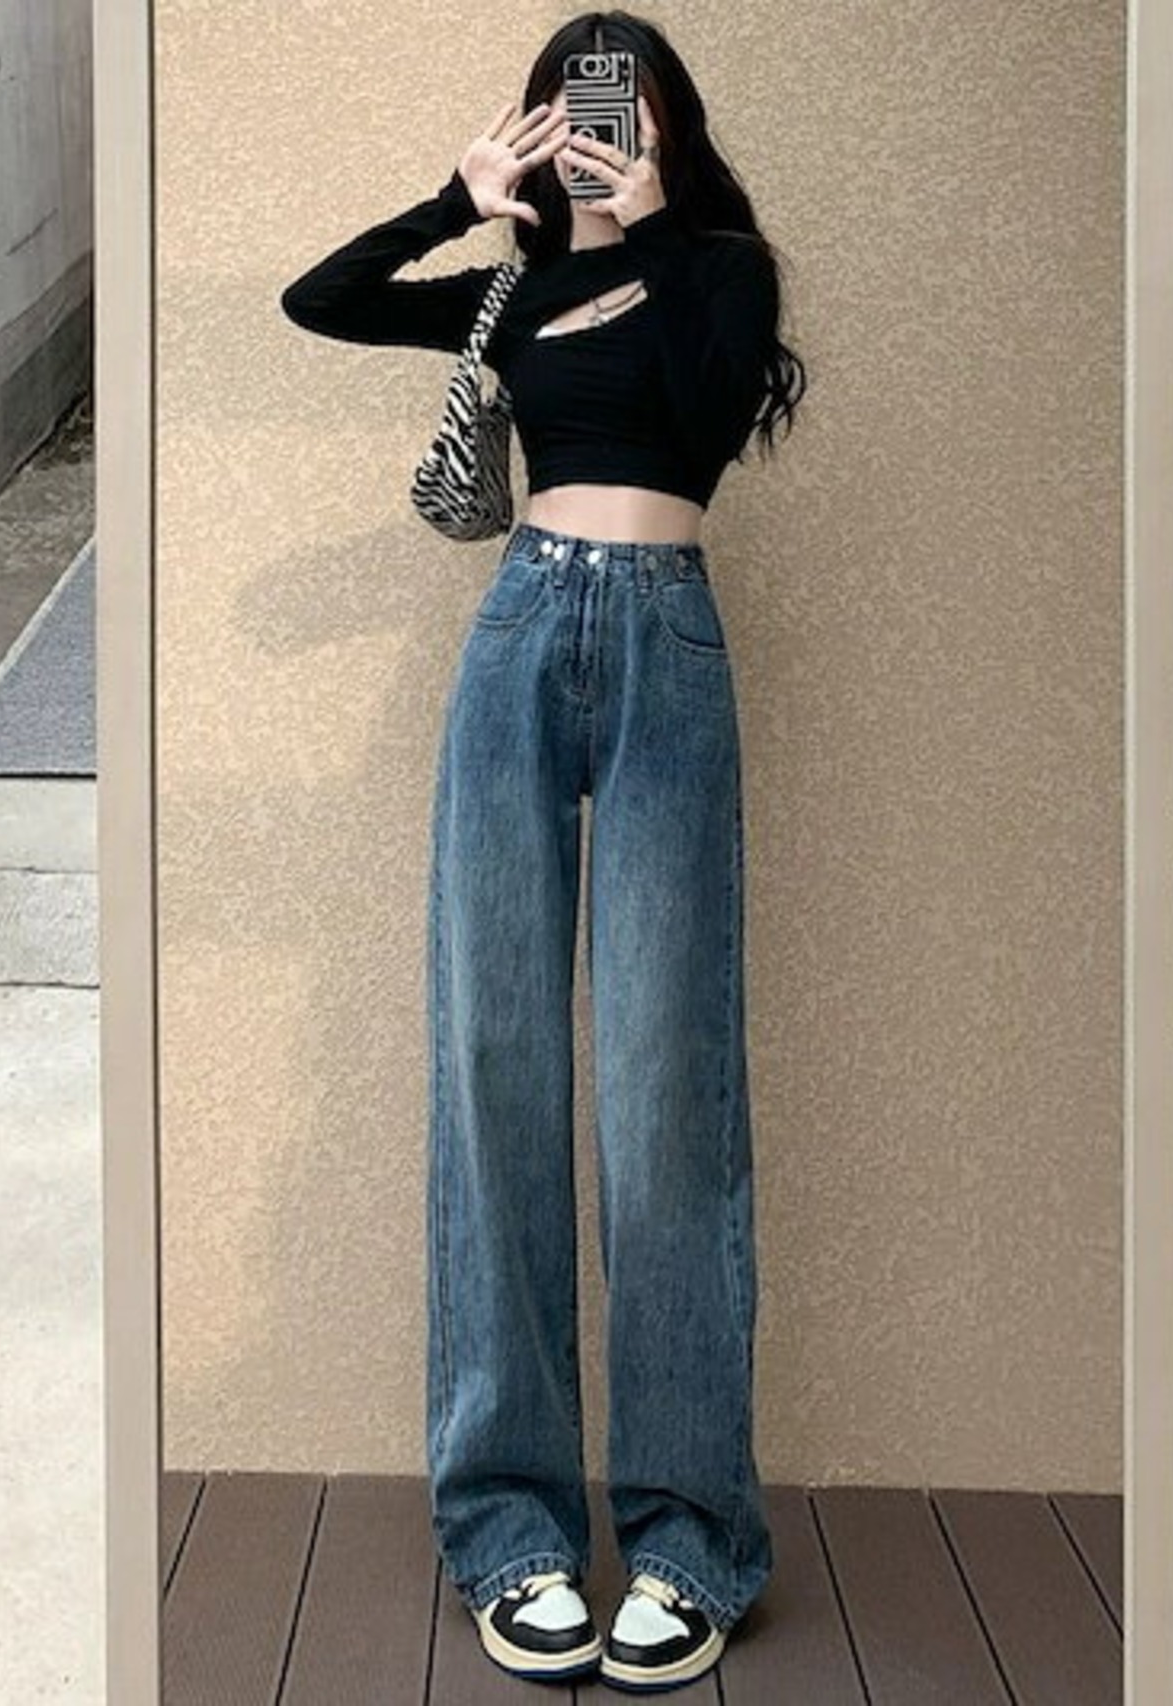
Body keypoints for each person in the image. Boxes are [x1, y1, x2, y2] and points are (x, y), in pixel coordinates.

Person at [280, 9, 806, 1692]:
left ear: (670, 129)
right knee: (495, 1066)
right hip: (517, 636)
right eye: (574, 111)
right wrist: (460, 201)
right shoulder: (508, 292)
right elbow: (320, 300)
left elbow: (707, 414)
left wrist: (644, 228)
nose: (598, 135)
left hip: (668, 645)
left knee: (665, 1093)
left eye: (625, 111)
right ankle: (509, 1526)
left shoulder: (720, 271)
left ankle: (688, 1537)